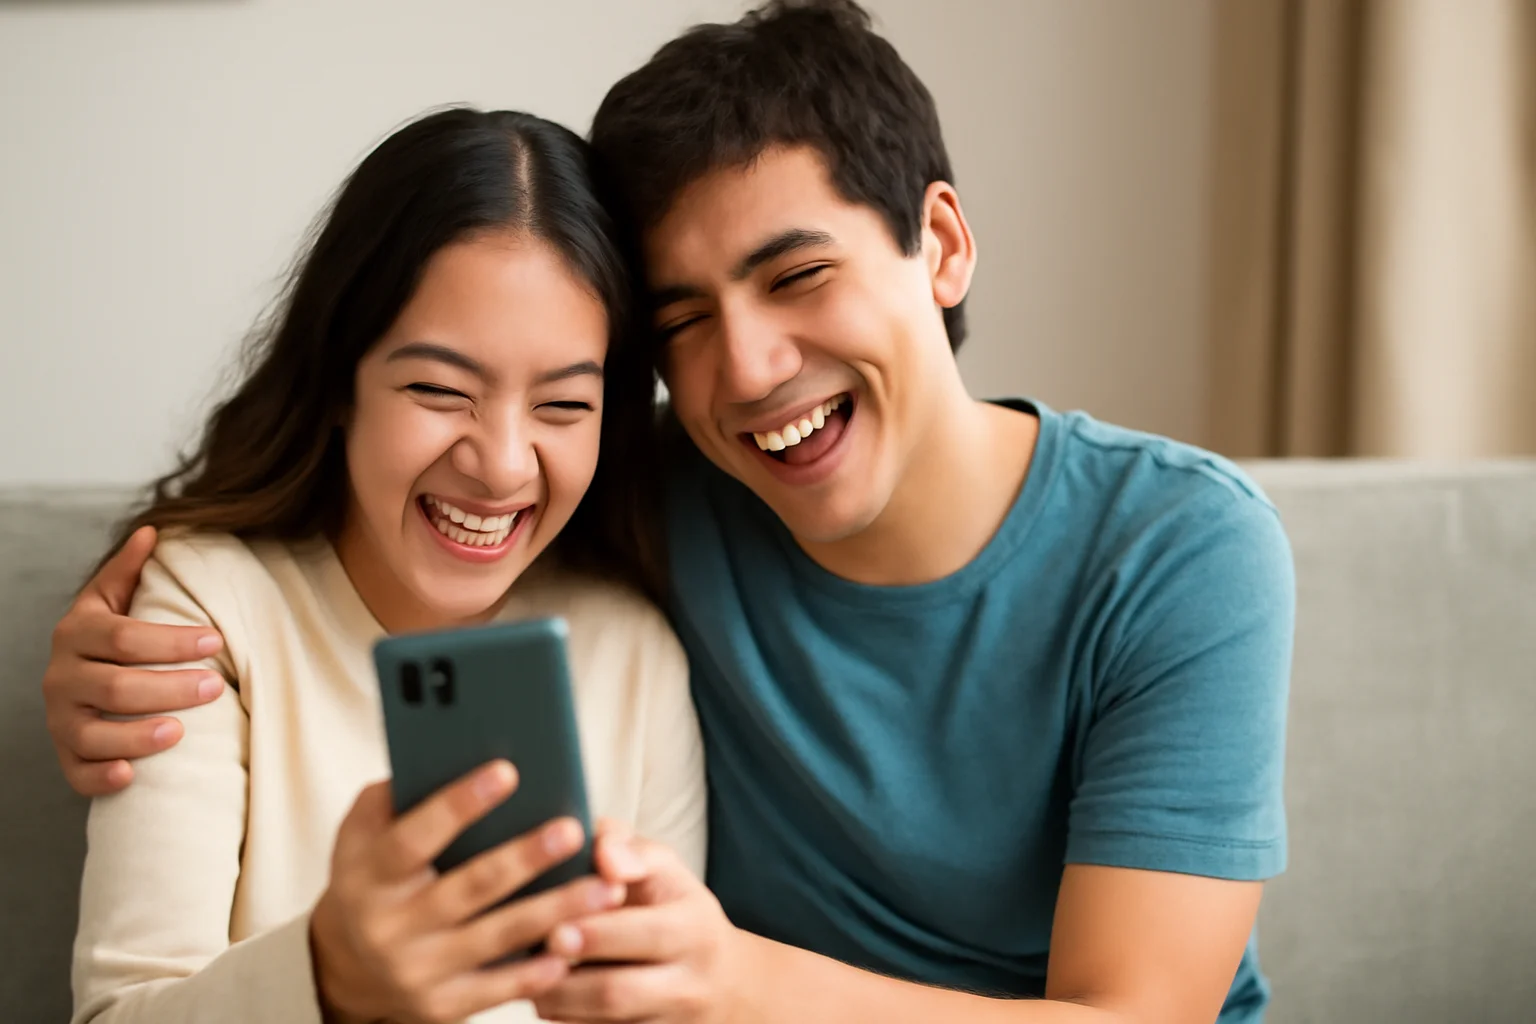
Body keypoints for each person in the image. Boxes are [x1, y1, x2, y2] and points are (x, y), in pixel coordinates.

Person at [44, 3, 1294, 1022]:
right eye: (684, 320)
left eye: (798, 274)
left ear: (942, 244)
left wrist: (733, 982)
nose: (747, 370)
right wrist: (112, 653)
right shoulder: (636, 490)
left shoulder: (1177, 548)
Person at [57, 107, 706, 1024]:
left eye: (563, 405)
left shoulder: (630, 651)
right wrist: (329, 978)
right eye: (439, 390)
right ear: (337, 382)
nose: (502, 465)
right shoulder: (211, 611)